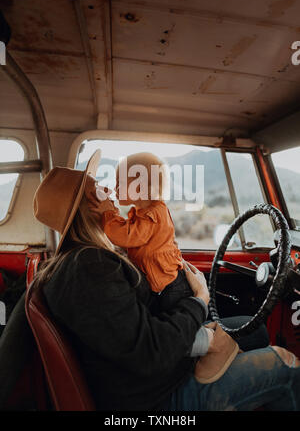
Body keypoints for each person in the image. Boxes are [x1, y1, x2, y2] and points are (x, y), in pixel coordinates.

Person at [32, 151, 300, 411]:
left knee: (253, 330)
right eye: (99, 190)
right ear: (87, 208)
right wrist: (199, 301)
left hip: (153, 369)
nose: (110, 191)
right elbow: (150, 350)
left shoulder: (92, 259)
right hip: (157, 396)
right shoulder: (88, 268)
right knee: (286, 366)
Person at [87, 151, 238, 380]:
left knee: (173, 319)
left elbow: (126, 236)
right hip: (161, 282)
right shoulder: (141, 212)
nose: (115, 189)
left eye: (120, 183)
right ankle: (202, 339)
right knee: (167, 320)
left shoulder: (154, 214)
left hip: (170, 285)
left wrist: (107, 213)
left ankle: (212, 346)